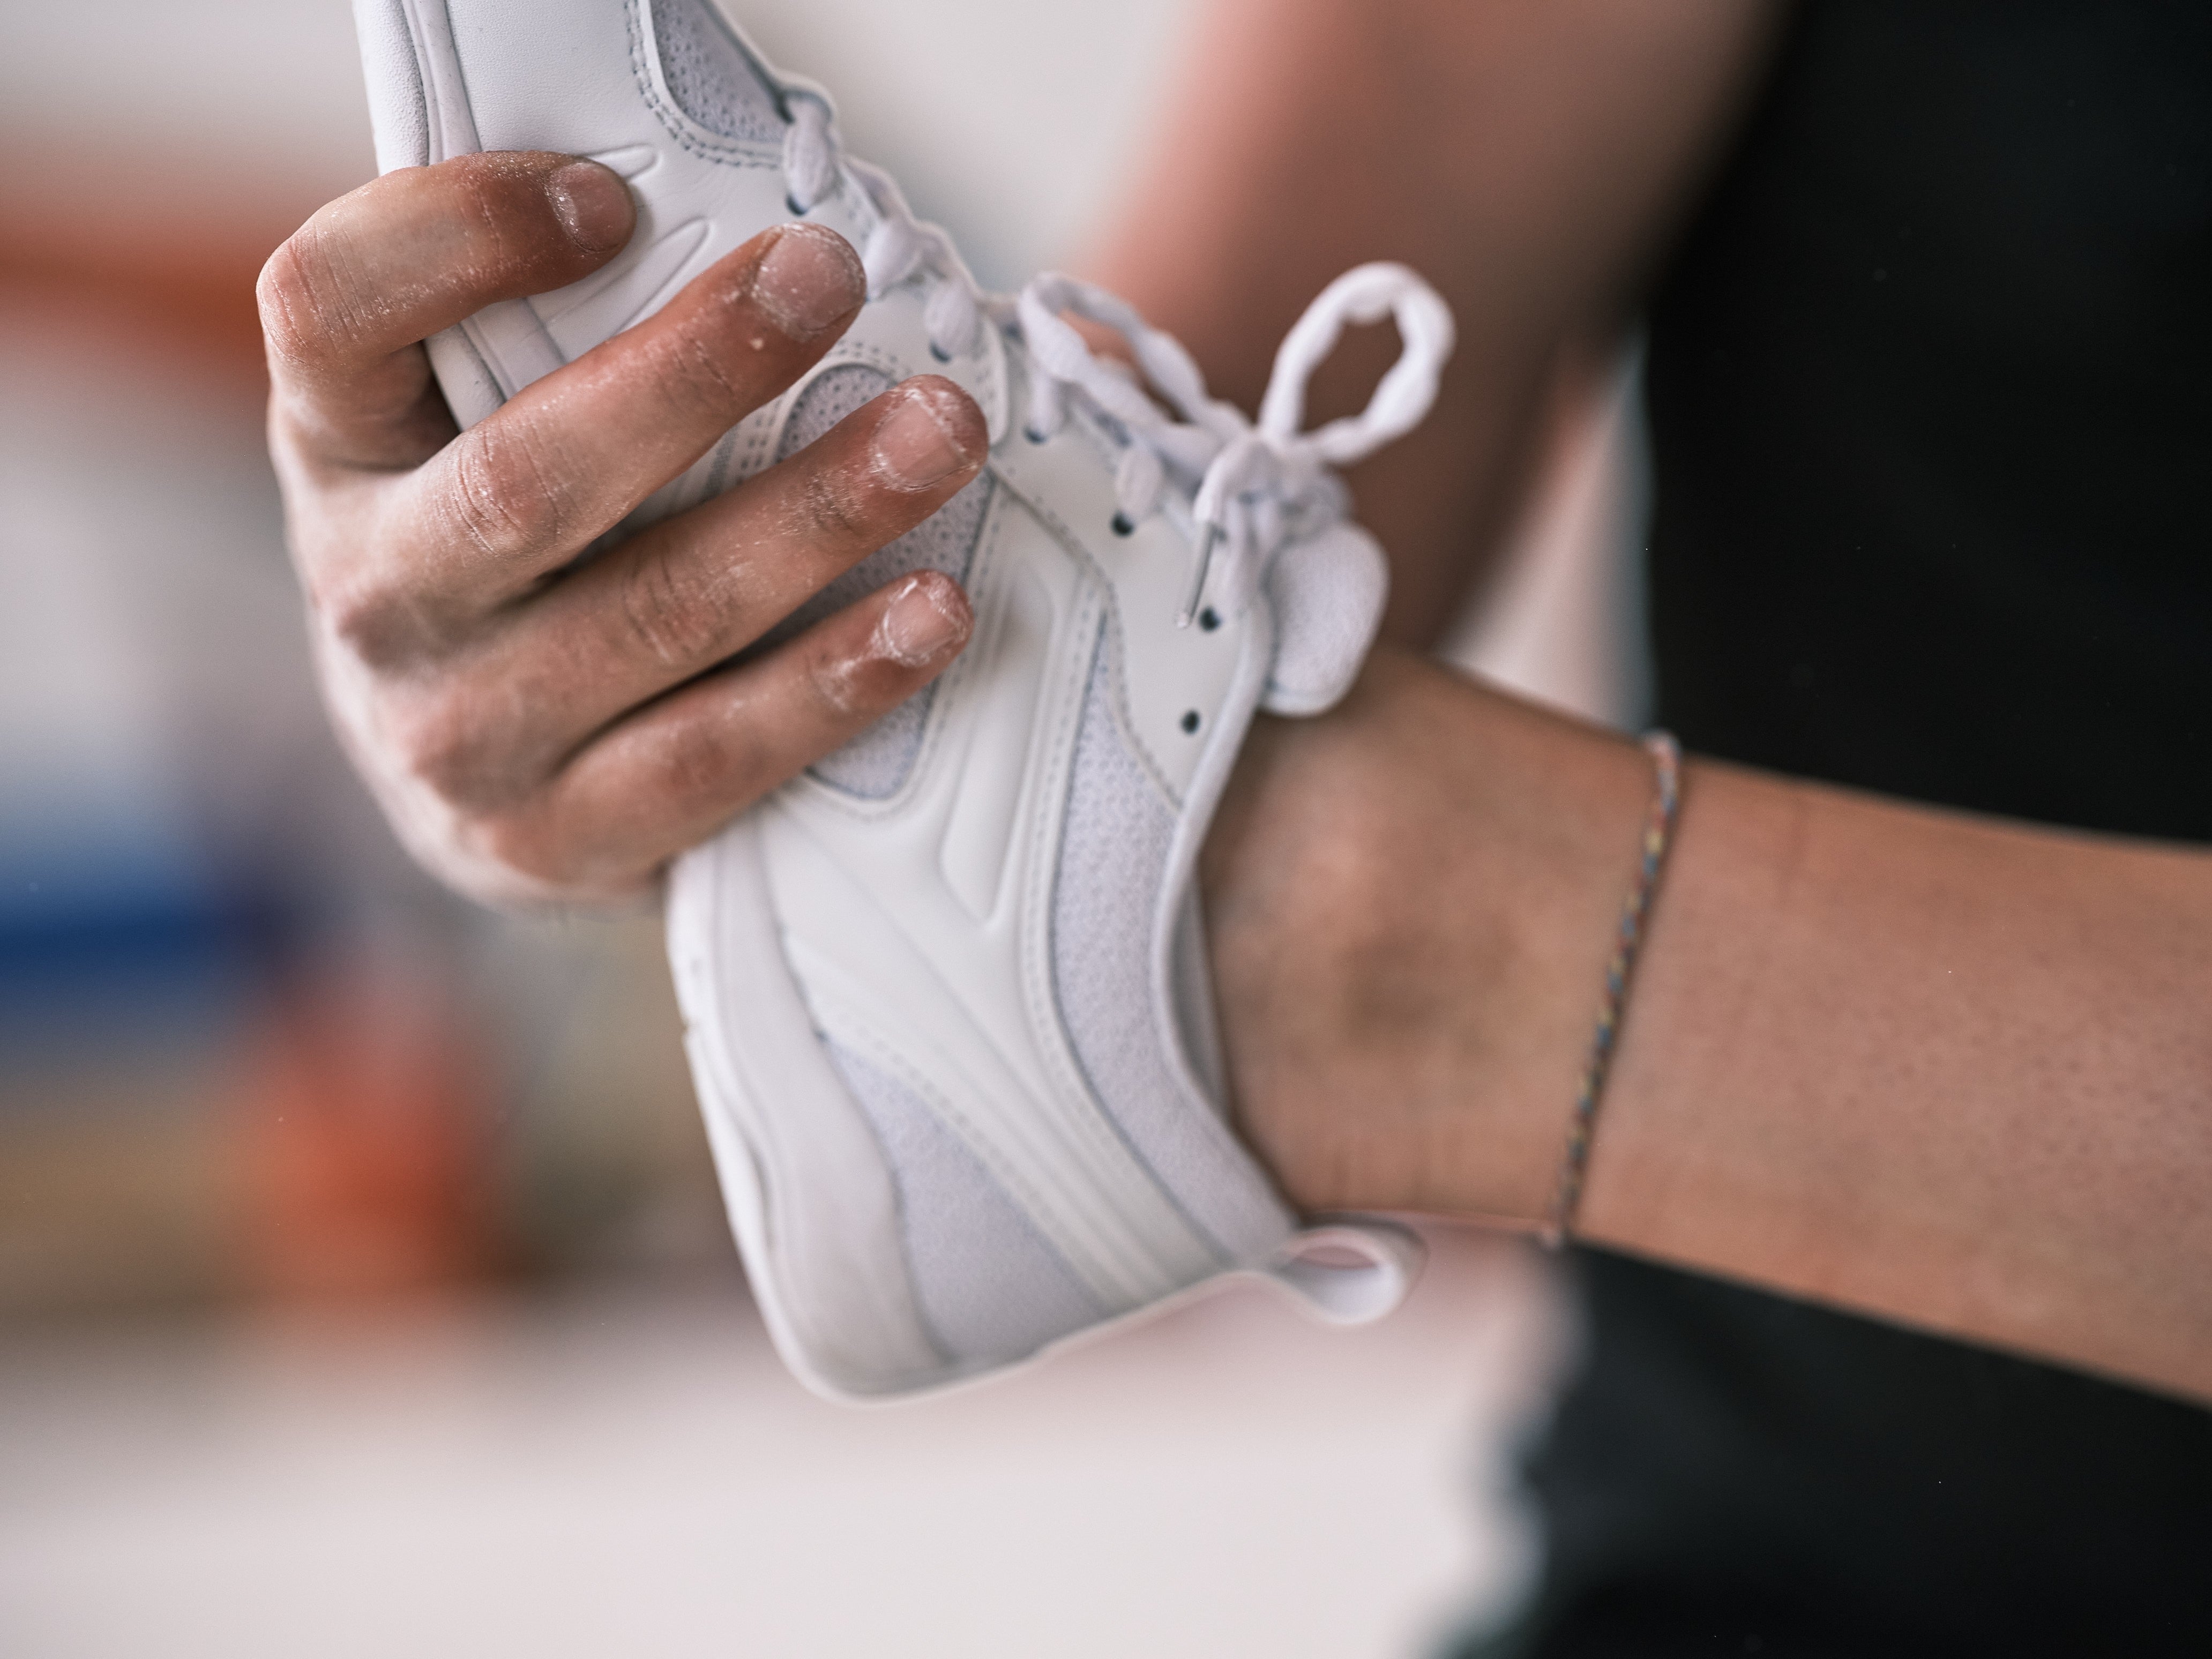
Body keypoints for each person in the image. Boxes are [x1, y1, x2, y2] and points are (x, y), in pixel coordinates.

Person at [259, 0, 2211, 1649]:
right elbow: (1200, 487)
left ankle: (1391, 953)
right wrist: (667, 645)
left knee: (1258, 869)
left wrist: (1393, 910)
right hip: (1790, 1586)